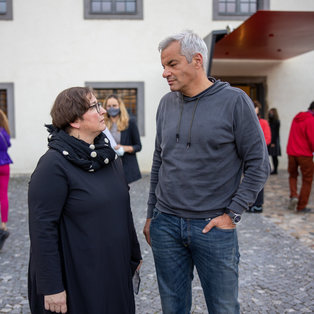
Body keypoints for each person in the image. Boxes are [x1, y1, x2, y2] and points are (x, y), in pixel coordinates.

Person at [143, 31, 270, 314]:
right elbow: (158, 161)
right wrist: (152, 215)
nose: (165, 73)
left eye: (172, 64)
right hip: (165, 225)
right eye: (163, 65)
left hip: (212, 227)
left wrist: (233, 213)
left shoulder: (235, 101)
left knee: (223, 308)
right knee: (172, 308)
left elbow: (259, 163)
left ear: (197, 60)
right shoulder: (166, 103)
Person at [28, 87, 142, 314]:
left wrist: (133, 254)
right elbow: (42, 228)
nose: (103, 111)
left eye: (100, 105)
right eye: (94, 106)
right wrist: (51, 286)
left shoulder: (109, 159)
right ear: (74, 121)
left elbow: (123, 210)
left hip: (112, 270)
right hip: (77, 277)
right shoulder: (53, 165)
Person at [104, 94, 142, 184]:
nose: (111, 108)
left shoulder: (130, 122)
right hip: (108, 167)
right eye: (109, 106)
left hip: (126, 167)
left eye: (114, 106)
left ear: (120, 106)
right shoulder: (102, 124)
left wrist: (124, 148)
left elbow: (138, 146)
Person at [286, 101, 314, 212]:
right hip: (305, 154)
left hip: (291, 152)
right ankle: (301, 206)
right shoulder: (311, 120)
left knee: (292, 175)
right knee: (307, 179)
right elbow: (312, 139)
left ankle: (293, 195)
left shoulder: (296, 117)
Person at [246, 101, 271, 213]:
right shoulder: (245, 121)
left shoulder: (263, 123)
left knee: (258, 179)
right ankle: (249, 203)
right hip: (246, 154)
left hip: (258, 154)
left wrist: (256, 147)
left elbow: (267, 138)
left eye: (255, 107)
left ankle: (258, 204)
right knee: (248, 180)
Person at [0, 109, 12, 250]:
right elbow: (8, 145)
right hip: (5, 165)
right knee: (3, 196)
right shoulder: (5, 132)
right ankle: (3, 224)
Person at [268, 107, 281, 174]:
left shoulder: (276, 122)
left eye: (272, 112)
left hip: (274, 141)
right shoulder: (271, 121)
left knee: (274, 156)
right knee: (273, 156)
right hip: (271, 140)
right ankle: (274, 169)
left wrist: (273, 142)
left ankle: (275, 170)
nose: (270, 114)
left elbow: (276, 132)